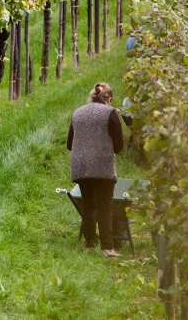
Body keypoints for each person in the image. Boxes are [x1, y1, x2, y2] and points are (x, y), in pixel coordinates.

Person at [67, 83, 124, 257]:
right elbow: (119, 145)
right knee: (105, 206)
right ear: (109, 99)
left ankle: (90, 245)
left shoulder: (77, 113)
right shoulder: (110, 112)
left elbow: (70, 144)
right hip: (102, 165)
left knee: (88, 205)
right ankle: (108, 248)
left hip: (80, 165)